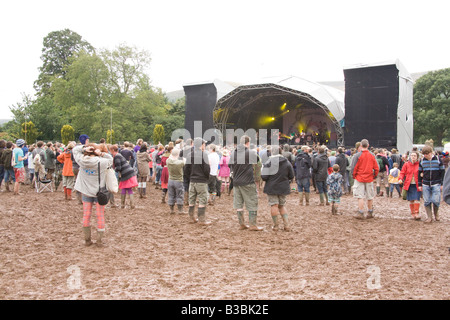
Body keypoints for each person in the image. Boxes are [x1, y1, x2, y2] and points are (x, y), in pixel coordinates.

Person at [73, 144, 112, 247]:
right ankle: (99, 240)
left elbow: (75, 150)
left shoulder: (81, 160)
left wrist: (84, 148)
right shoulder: (102, 162)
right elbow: (110, 159)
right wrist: (102, 153)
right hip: (99, 192)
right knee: (100, 215)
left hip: (86, 191)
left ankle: (87, 240)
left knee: (86, 215)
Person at [229, 135, 262, 231]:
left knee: (238, 203)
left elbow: (229, 165)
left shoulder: (233, 153)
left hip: (236, 181)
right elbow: (257, 160)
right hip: (247, 181)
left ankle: (241, 224)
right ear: (248, 143)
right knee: (252, 202)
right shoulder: (249, 152)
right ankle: (253, 225)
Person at [261, 145, 295, 231]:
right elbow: (291, 175)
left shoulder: (268, 162)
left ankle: (276, 226)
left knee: (274, 205)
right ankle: (286, 225)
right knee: (282, 206)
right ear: (281, 152)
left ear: (272, 152)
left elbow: (264, 177)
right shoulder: (287, 162)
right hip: (283, 187)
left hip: (272, 187)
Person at [184, 138, 211, 225]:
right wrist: (206, 178)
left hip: (192, 180)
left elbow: (186, 170)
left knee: (192, 200)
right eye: (204, 144)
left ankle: (191, 218)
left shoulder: (189, 155)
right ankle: (201, 220)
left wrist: (190, 177)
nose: (205, 146)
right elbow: (207, 169)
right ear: (201, 145)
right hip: (201, 181)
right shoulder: (204, 155)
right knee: (202, 200)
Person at [351, 139, 379, 219]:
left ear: (360, 146)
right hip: (369, 178)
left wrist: (354, 176)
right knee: (370, 196)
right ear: (368, 145)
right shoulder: (372, 155)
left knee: (360, 196)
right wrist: (374, 176)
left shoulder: (357, 156)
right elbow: (376, 168)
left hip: (359, 178)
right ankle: (370, 212)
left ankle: (360, 212)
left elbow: (353, 168)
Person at [418, 146, 445, 223]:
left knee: (436, 200)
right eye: (424, 154)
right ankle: (429, 217)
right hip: (425, 183)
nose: (425, 156)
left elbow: (442, 172)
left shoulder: (438, 160)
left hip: (436, 183)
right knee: (427, 201)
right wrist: (420, 184)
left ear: (431, 153)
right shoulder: (422, 161)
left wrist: (442, 183)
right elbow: (419, 173)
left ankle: (436, 213)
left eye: (426, 154)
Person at [109, 144, 138, 209]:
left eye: (110, 150)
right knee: (128, 188)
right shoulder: (119, 155)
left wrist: (112, 171)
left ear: (113, 150)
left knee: (124, 188)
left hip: (125, 173)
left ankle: (123, 205)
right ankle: (132, 205)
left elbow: (118, 167)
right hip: (129, 172)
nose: (110, 152)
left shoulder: (116, 156)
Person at [398, 151, 421, 220]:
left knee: (417, 199)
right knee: (411, 200)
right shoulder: (406, 164)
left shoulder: (420, 165)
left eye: (415, 156)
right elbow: (402, 172)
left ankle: (417, 213)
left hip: (417, 184)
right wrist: (400, 179)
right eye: (412, 155)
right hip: (409, 184)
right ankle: (412, 213)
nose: (413, 157)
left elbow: (422, 172)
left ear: (417, 157)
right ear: (410, 156)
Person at [167, 148, 186, 214]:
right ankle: (180, 210)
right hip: (179, 180)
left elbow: (170, 158)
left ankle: (171, 210)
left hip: (170, 180)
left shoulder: (168, 161)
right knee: (179, 195)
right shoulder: (180, 162)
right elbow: (184, 161)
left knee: (171, 195)